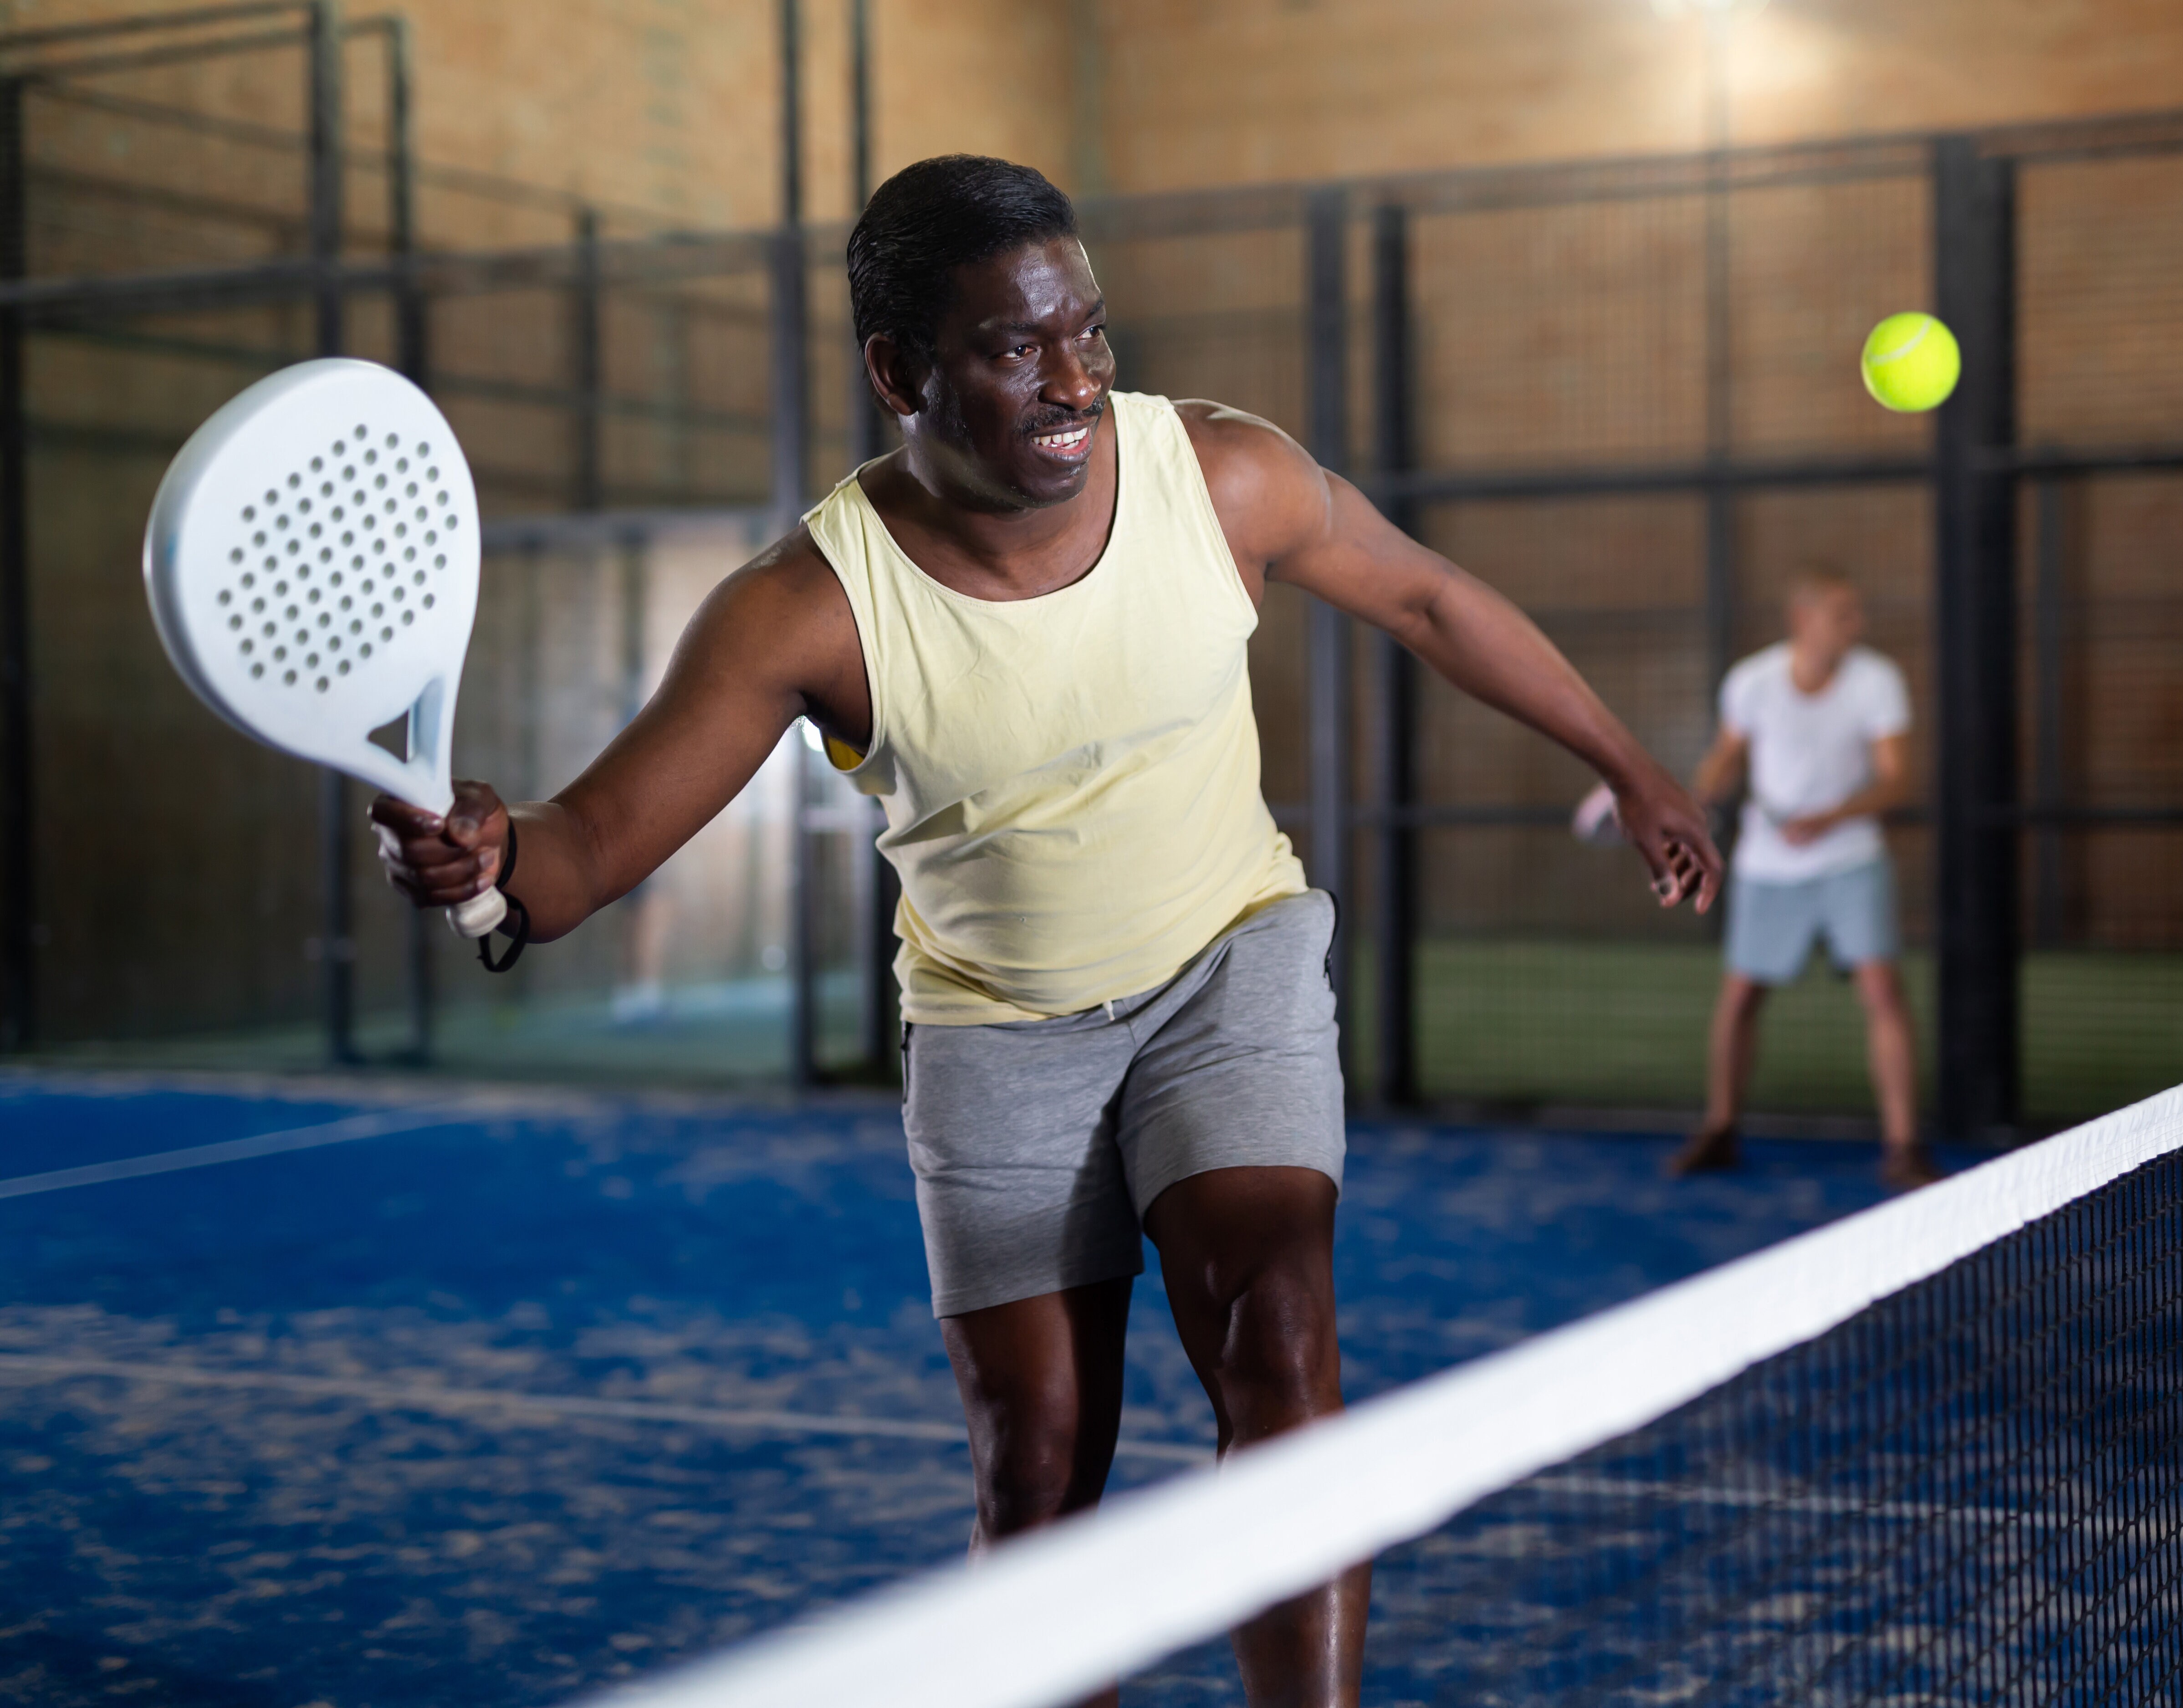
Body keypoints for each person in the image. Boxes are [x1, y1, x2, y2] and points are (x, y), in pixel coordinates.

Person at [371, 155, 1721, 1705]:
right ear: (900, 370)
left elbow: (1425, 601)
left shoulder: (1220, 477)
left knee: (1279, 1338)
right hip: (997, 1029)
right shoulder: (806, 608)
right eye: (1019, 346)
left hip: (1230, 961)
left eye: (1090, 331)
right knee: (1039, 1476)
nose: (1075, 378)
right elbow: (583, 853)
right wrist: (482, 862)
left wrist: (1629, 766)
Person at [1668, 569, 1938, 1192]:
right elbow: (1726, 756)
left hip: (1851, 861)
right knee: (1740, 996)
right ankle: (1720, 1128)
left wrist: (1832, 818)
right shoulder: (1752, 681)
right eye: (1842, 613)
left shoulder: (1878, 681)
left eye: (1856, 613)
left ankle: (1903, 1144)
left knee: (1882, 990)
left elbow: (1897, 778)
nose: (1855, 625)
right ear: (1803, 619)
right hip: (1767, 866)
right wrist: (1695, 796)